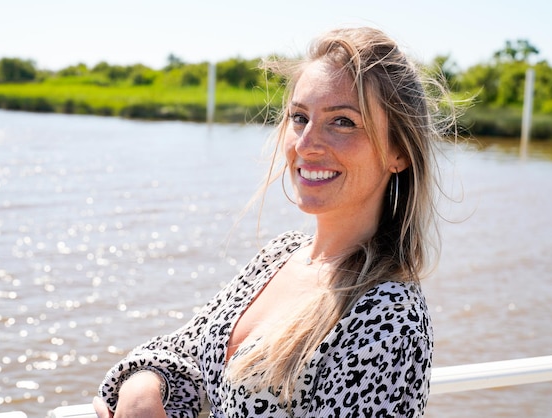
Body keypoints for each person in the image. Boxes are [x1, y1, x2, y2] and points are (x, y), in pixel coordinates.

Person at [94, 26, 453, 418]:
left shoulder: (390, 317)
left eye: (343, 122)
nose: (305, 143)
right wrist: (142, 391)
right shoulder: (280, 256)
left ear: (399, 151)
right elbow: (186, 353)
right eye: (299, 117)